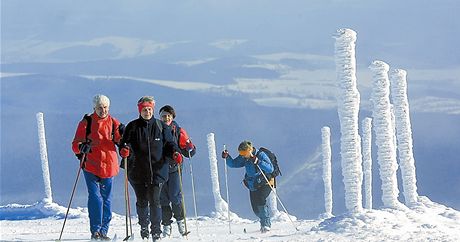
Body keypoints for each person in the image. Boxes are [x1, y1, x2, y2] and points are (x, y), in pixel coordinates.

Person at [119, 96, 182, 241]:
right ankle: (143, 227)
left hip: (157, 171)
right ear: (140, 111)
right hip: (137, 171)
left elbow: (169, 144)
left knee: (155, 201)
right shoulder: (132, 126)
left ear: (152, 110)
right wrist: (124, 150)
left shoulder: (161, 126)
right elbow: (125, 143)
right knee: (142, 200)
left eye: (149, 109)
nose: (147, 112)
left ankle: (156, 231)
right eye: (144, 109)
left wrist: (175, 152)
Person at [71, 94, 124, 241]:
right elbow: (75, 144)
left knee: (107, 199)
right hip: (91, 165)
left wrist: (125, 143)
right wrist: (81, 147)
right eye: (100, 108)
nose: (103, 110)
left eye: (105, 107)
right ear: (94, 108)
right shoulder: (86, 122)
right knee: (96, 198)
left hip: (109, 165)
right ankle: (95, 231)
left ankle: (104, 231)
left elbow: (121, 142)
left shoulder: (114, 122)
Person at [158, 105, 196, 237]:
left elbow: (188, 151)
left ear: (173, 117)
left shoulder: (178, 131)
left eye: (169, 115)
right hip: (160, 169)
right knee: (162, 199)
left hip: (174, 168)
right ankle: (166, 226)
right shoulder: (156, 129)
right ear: (160, 117)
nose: (166, 118)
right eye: (164, 115)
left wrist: (190, 148)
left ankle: (181, 223)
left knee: (175, 197)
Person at [222, 140, 274, 233]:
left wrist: (258, 161)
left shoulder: (260, 155)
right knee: (256, 210)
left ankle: (266, 224)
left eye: (244, 153)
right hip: (253, 185)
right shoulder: (244, 157)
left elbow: (270, 168)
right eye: (240, 153)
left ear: (249, 150)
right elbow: (234, 164)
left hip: (265, 182)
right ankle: (263, 217)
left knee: (261, 199)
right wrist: (227, 158)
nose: (242, 155)